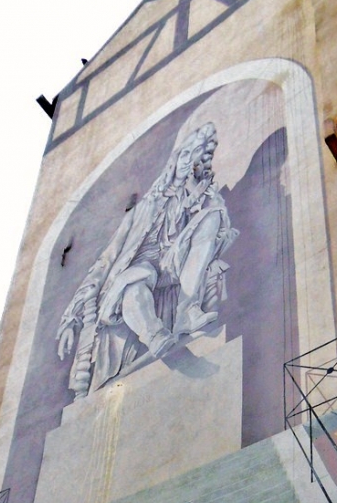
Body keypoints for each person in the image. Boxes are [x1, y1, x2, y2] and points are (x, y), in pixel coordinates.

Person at [56, 121, 238, 397]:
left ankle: (187, 312)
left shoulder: (199, 200)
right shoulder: (143, 210)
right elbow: (105, 262)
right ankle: (155, 336)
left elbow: (216, 235)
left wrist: (203, 198)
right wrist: (71, 318)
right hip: (138, 271)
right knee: (138, 278)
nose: (191, 164)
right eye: (187, 155)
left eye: (200, 158)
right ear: (175, 160)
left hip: (174, 266)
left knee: (213, 217)